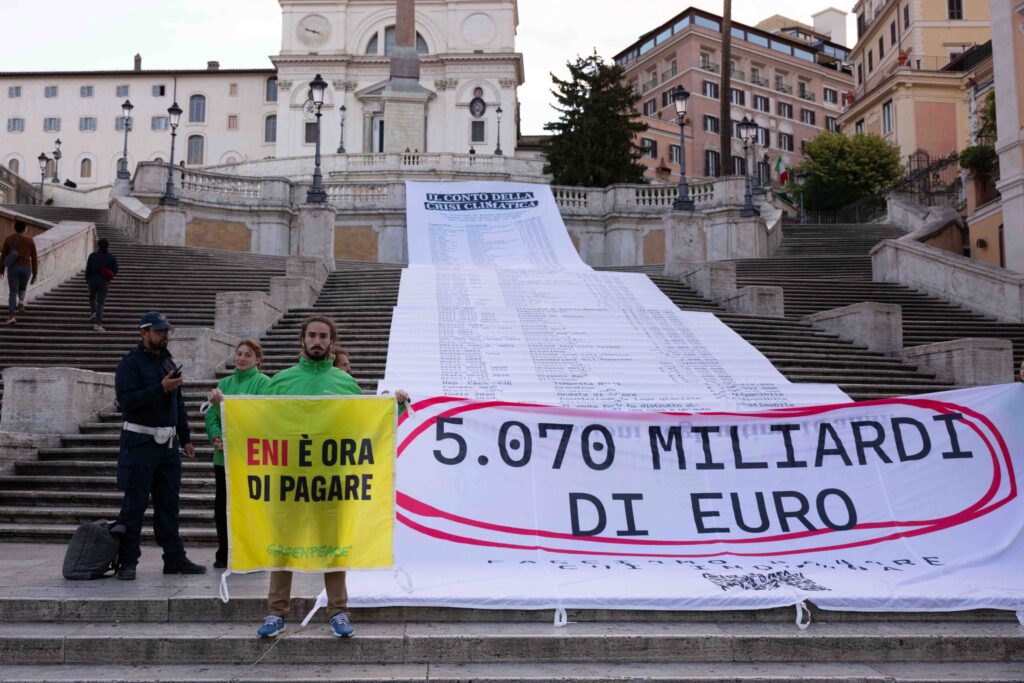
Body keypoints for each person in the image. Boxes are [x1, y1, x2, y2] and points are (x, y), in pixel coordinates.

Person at [254, 315, 408, 639]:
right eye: (312, 335)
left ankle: (338, 611)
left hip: (330, 480)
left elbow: (364, 427)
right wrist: (221, 411)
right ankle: (275, 613)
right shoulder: (279, 382)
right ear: (302, 340)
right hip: (290, 479)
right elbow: (258, 422)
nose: (317, 341)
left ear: (331, 343)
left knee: (333, 547)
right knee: (282, 547)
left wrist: (395, 408)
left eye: (323, 336)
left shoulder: (345, 384)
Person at [112, 311, 206, 581]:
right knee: (134, 505)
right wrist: (160, 389)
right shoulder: (130, 364)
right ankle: (127, 562)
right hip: (140, 443)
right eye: (158, 331)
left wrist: (185, 437)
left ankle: (174, 558)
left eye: (166, 331)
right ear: (143, 333)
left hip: (168, 447)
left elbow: (178, 403)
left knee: (169, 505)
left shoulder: (168, 362)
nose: (164, 335)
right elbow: (127, 402)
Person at [203, 339, 272, 569]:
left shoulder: (265, 384)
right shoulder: (224, 383)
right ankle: (224, 551)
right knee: (222, 507)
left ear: (258, 360)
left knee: (251, 506)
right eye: (239, 353)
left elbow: (263, 418)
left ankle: (251, 552)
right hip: (223, 457)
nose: (241, 358)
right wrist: (215, 436)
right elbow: (211, 416)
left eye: (248, 355)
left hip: (250, 457)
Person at [0, 220, 38, 325]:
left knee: (13, 292)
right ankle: (21, 301)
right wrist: (35, 273)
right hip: (26, 267)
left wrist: (1, 269)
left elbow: (3, 256)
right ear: (24, 229)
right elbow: (34, 257)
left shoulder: (9, 239)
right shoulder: (30, 240)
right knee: (22, 287)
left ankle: (12, 316)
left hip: (13, 268)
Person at [85, 238, 119, 332]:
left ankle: (93, 312)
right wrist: (108, 276)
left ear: (98, 246)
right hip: (103, 282)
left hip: (92, 280)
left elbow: (88, 269)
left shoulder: (92, 256)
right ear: (107, 246)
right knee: (100, 303)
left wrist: (87, 280)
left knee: (91, 297)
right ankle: (97, 324)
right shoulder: (111, 257)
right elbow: (115, 270)